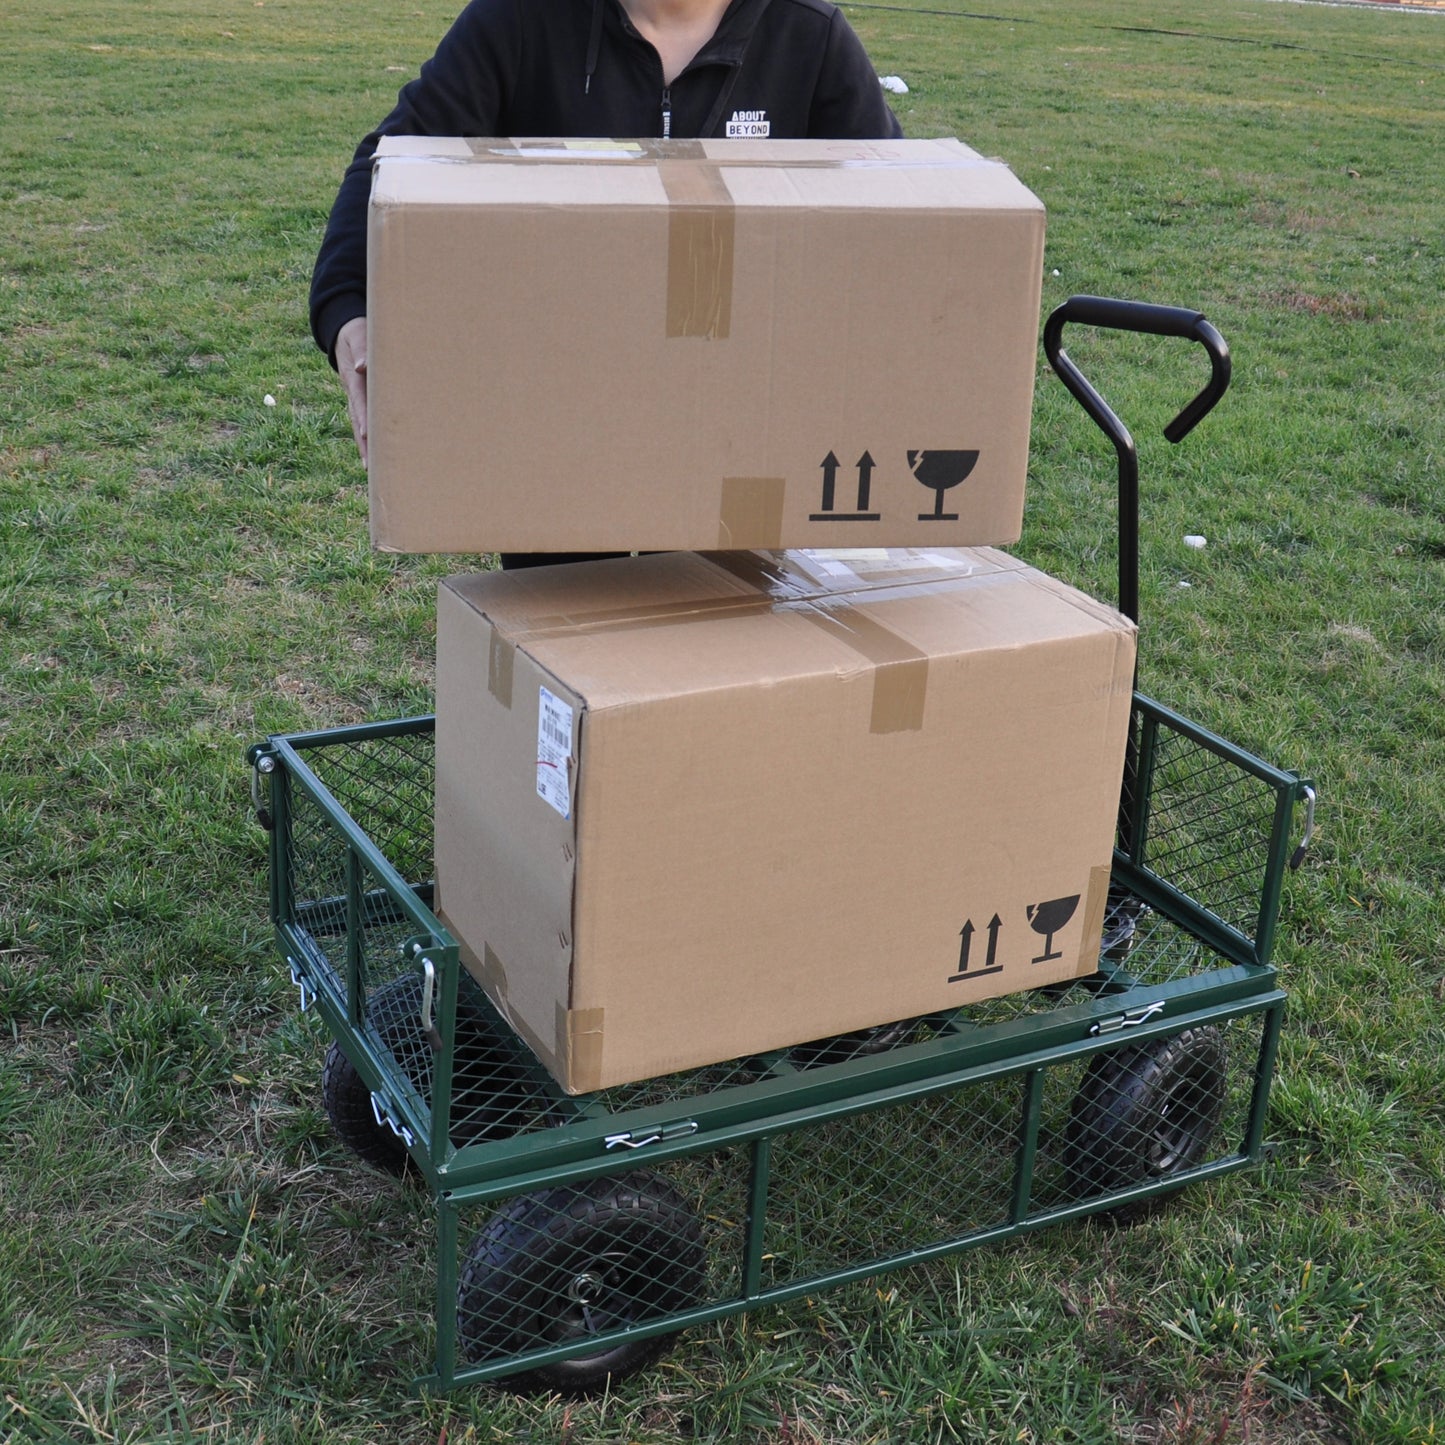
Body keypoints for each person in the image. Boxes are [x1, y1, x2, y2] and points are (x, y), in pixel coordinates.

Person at [310, 0, 903, 565]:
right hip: (559, 425)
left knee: (723, 647)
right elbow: (396, 159)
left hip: (743, 440)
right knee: (563, 642)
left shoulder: (810, 37)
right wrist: (348, 310)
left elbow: (902, 214)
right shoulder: (520, 20)